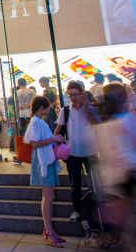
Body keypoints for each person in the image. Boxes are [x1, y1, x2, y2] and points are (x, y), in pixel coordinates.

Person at [93, 82, 136, 249]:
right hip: (128, 180)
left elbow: (102, 155)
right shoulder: (127, 121)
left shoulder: (102, 126)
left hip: (114, 184)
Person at [53, 80, 98, 222]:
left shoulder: (90, 108)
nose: (73, 97)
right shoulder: (65, 110)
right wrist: (54, 144)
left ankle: (97, 210)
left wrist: (88, 108)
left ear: (82, 94)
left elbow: (97, 125)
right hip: (73, 153)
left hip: (91, 152)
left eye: (76, 94)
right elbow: (58, 129)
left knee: (95, 182)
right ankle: (77, 210)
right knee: (75, 185)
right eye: (70, 94)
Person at [24, 96, 65, 247]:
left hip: (44, 160)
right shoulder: (36, 122)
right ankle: (49, 231)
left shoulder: (37, 121)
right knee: (48, 196)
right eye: (48, 107)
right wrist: (55, 139)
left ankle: (49, 230)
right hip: (43, 161)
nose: (50, 109)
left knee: (48, 196)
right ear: (42, 108)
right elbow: (35, 144)